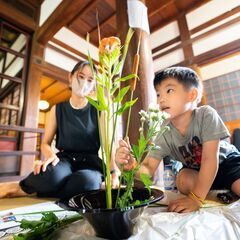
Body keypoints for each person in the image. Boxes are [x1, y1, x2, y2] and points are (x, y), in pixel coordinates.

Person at [116, 66, 240, 213]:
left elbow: (209, 160)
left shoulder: (206, 114)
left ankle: (213, 191)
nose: (161, 99)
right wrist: (130, 166)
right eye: (157, 94)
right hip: (196, 171)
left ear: (192, 95)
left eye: (169, 90)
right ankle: (213, 191)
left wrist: (196, 199)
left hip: (227, 163)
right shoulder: (164, 131)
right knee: (182, 180)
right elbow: (148, 168)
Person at [0, 60, 119, 199]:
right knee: (51, 175)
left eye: (90, 80)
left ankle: (39, 190)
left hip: (91, 163)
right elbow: (45, 143)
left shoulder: (99, 109)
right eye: (81, 76)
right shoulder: (57, 109)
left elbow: (108, 145)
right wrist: (50, 156)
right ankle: (20, 186)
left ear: (93, 85)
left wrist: (113, 172)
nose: (84, 82)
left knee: (87, 182)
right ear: (71, 77)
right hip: (64, 160)